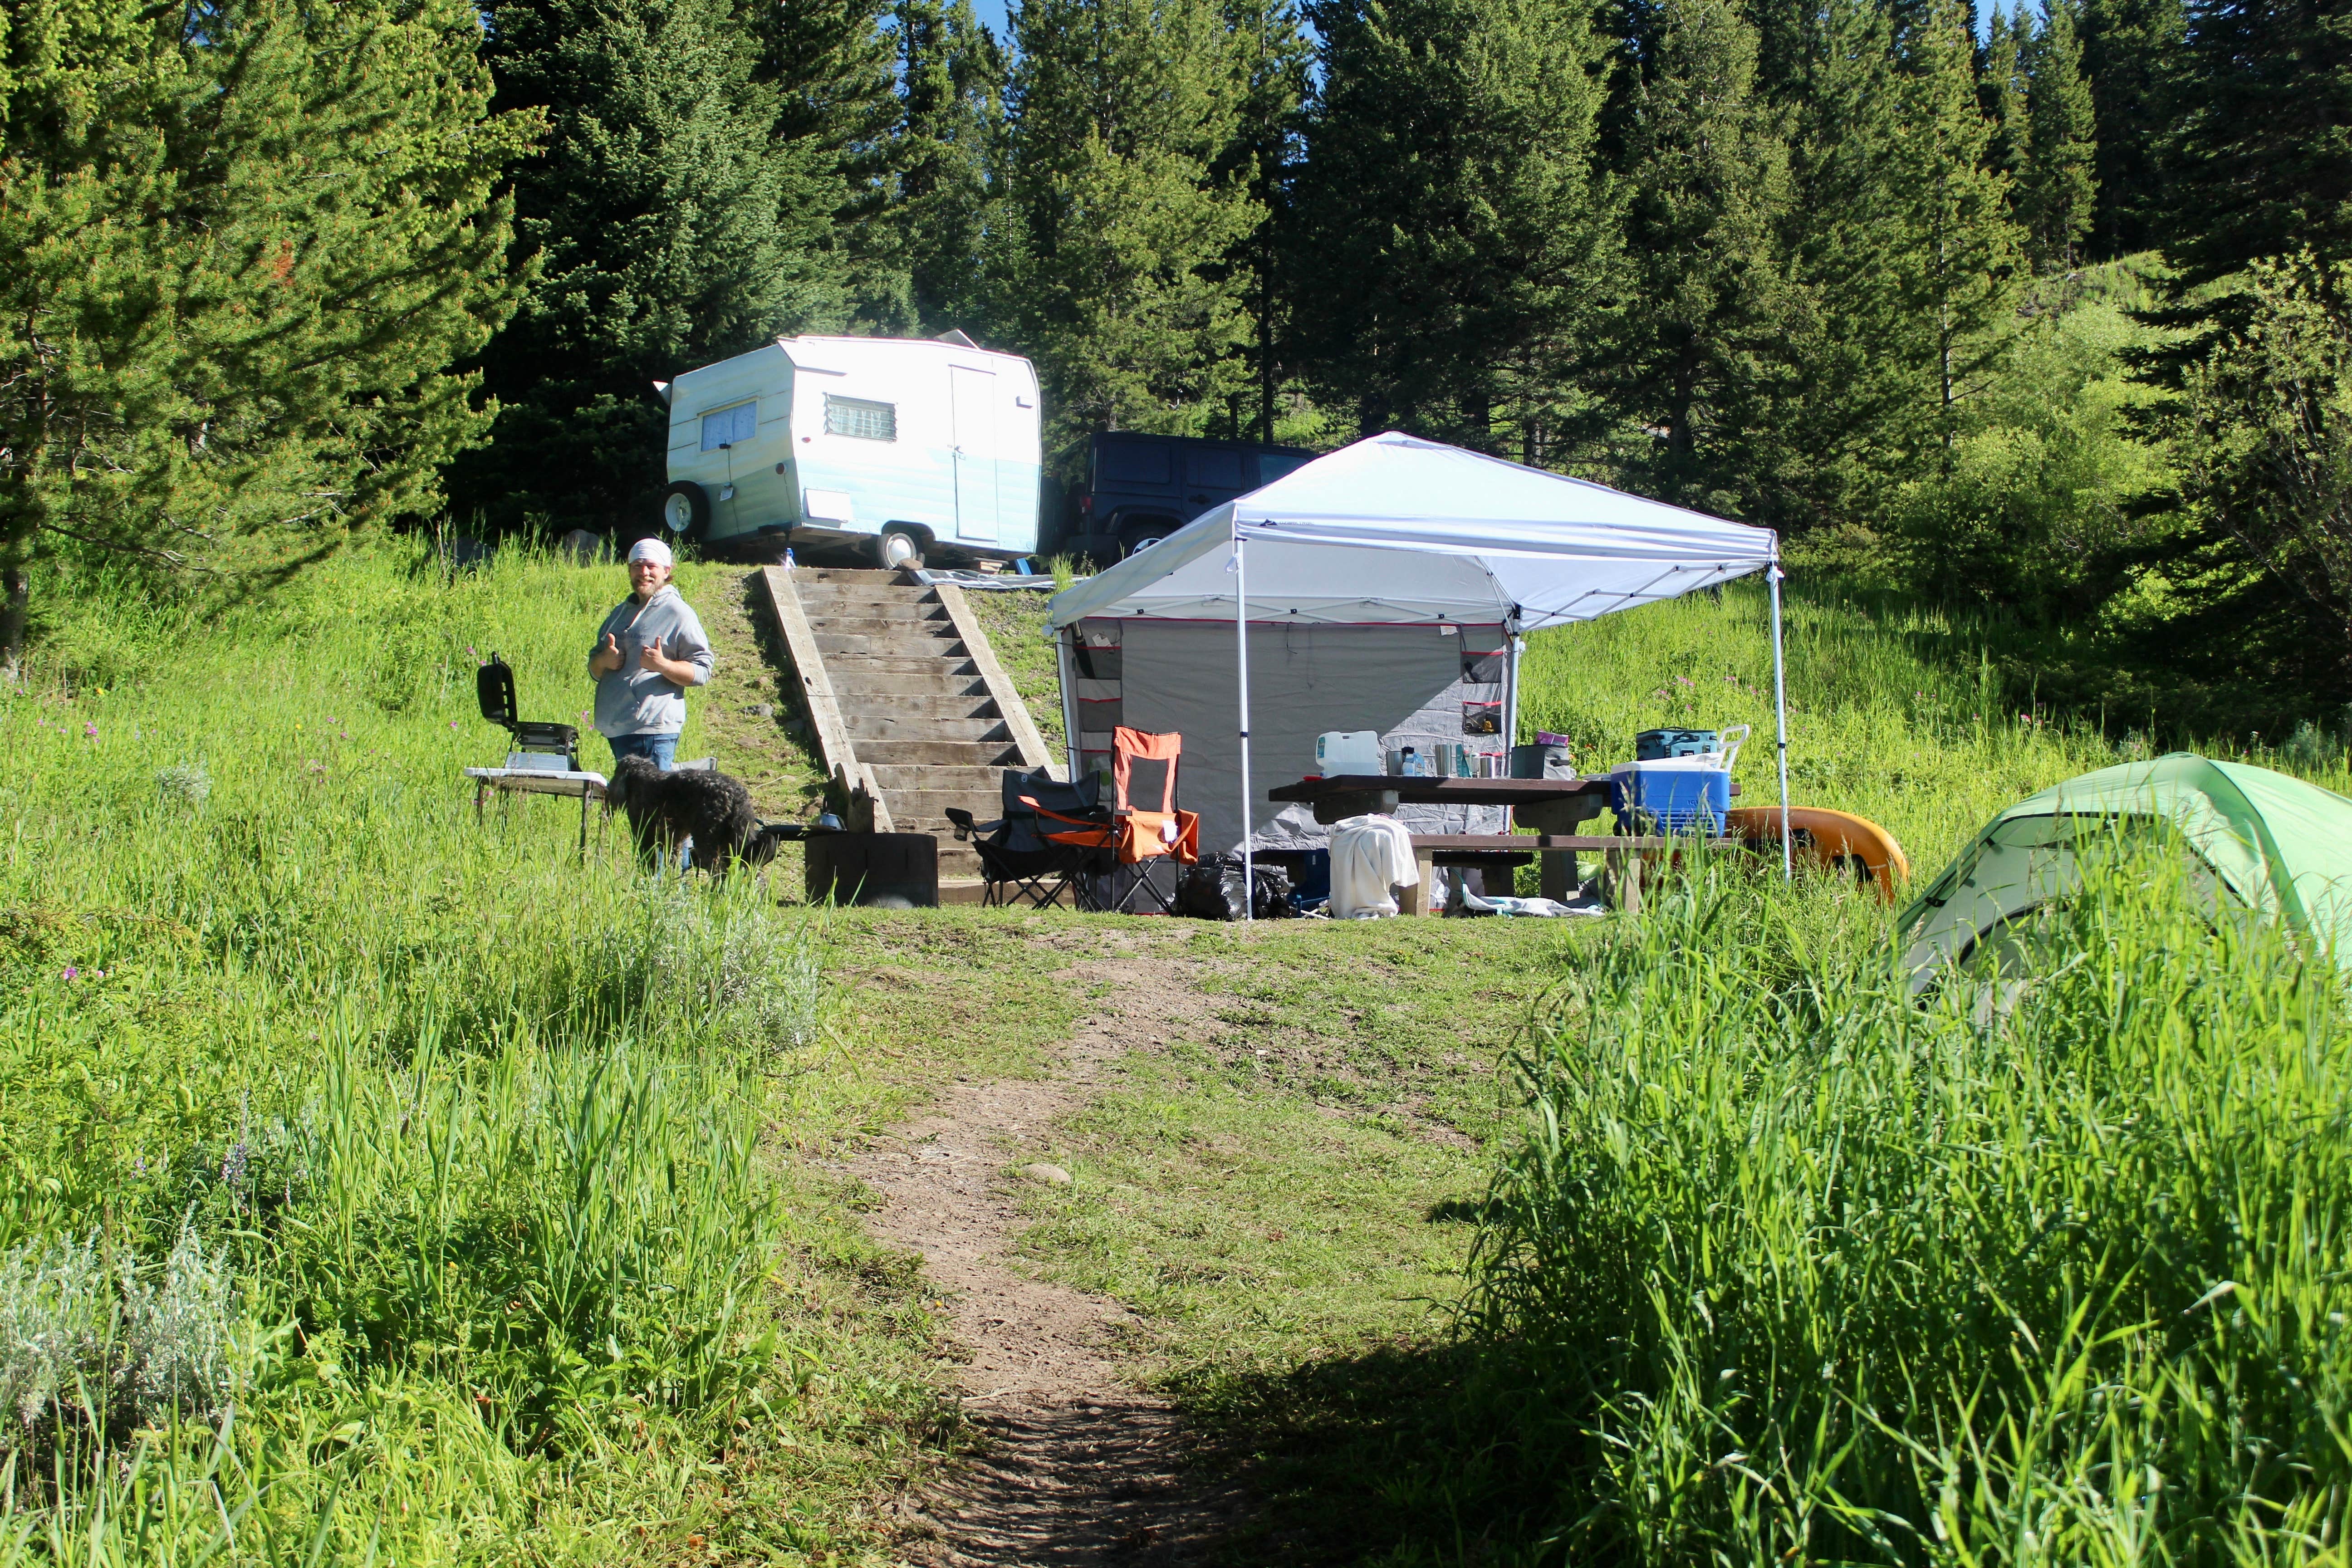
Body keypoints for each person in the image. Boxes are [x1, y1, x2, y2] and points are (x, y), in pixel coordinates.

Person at [588, 538, 712, 771]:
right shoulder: (619, 613)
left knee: (652, 806)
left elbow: (702, 671)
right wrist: (604, 661)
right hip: (618, 728)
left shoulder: (678, 613)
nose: (643, 573)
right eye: (637, 566)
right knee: (635, 806)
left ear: (667, 570)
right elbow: (594, 670)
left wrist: (663, 665)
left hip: (652, 730)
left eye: (651, 566)